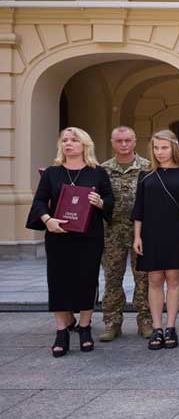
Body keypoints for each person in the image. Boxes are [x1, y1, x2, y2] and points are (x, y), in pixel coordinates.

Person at [27, 127, 114, 357]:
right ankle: (61, 331)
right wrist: (47, 220)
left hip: (89, 236)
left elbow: (110, 200)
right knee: (58, 281)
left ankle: (84, 327)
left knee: (87, 280)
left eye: (74, 140)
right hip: (58, 237)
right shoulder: (52, 173)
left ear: (84, 145)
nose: (68, 144)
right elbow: (39, 202)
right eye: (64, 140)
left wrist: (100, 202)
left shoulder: (98, 172)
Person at [132, 130, 179, 350]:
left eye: (164, 147)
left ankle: (170, 327)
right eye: (156, 148)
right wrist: (137, 236)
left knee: (174, 279)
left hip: (176, 232)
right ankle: (156, 328)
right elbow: (139, 208)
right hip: (150, 232)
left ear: (174, 148)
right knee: (154, 280)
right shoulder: (145, 175)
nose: (160, 152)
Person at [99, 126, 152, 342]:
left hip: (142, 232)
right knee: (112, 278)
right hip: (111, 232)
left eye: (127, 140)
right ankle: (112, 322)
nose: (123, 144)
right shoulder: (102, 170)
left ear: (134, 141)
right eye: (119, 140)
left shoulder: (147, 168)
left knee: (144, 279)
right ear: (112, 142)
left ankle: (145, 321)